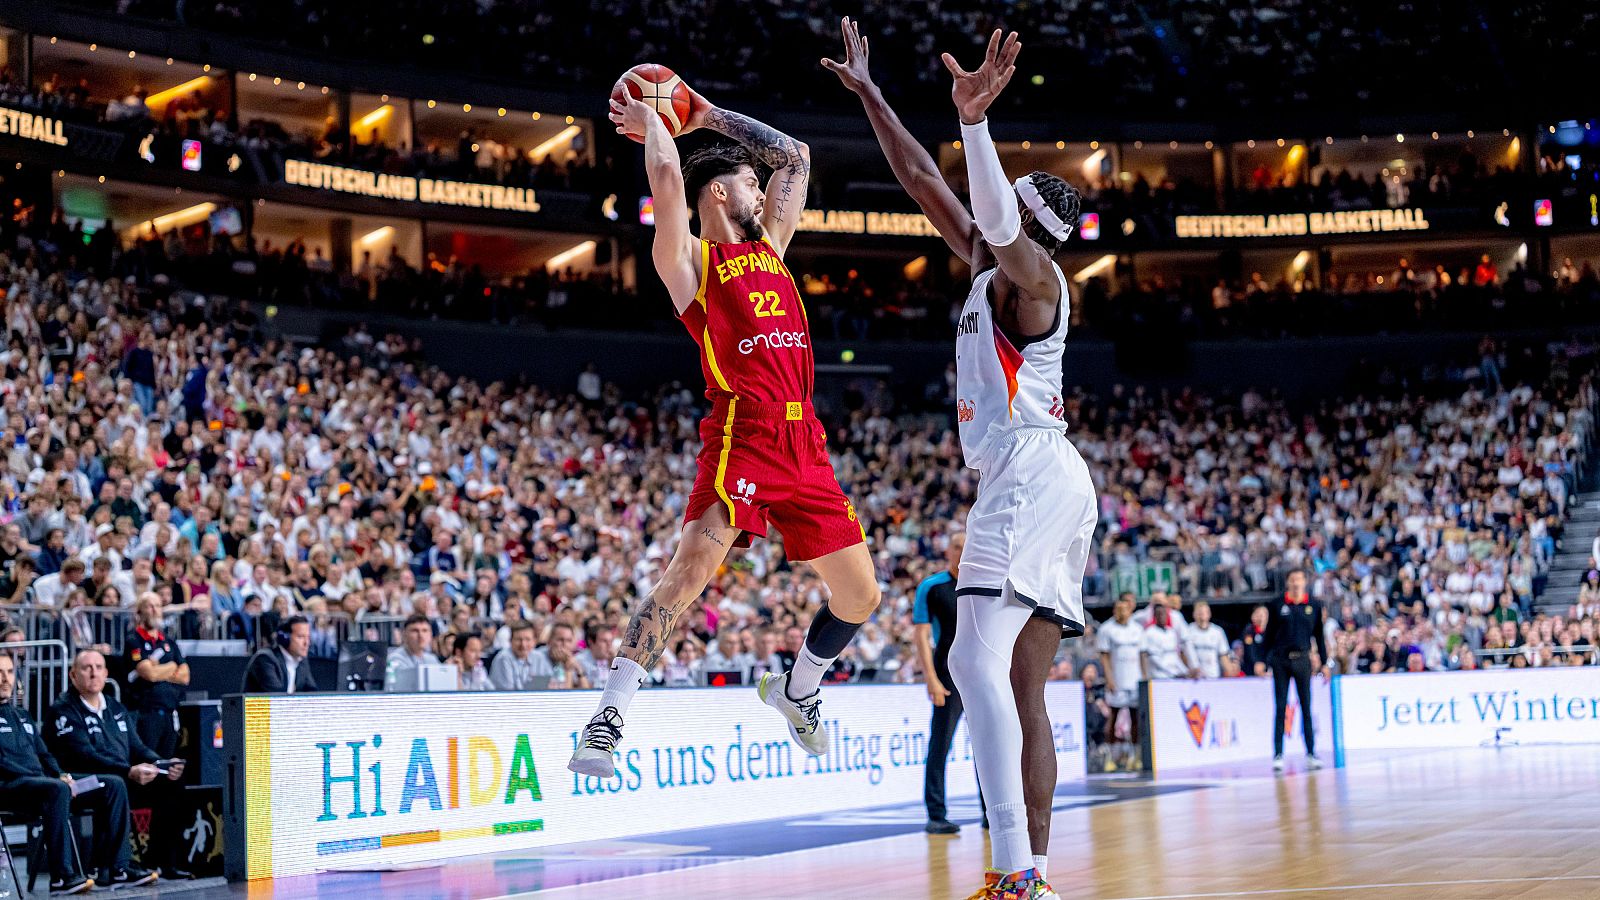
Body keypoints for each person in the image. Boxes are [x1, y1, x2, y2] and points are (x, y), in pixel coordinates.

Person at [828, 21, 1089, 897]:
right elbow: (921, 178)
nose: (983, 214)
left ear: (1032, 232)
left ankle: (1015, 871)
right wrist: (871, 94)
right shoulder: (988, 262)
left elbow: (999, 220)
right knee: (1019, 690)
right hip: (1046, 477)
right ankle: (1037, 876)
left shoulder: (1039, 284)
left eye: (1005, 207)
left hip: (1028, 473)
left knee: (973, 666)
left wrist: (977, 122)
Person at [571, 76, 880, 776]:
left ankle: (797, 689)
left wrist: (705, 114)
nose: (759, 186)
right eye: (747, 180)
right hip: (743, 434)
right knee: (688, 574)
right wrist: (660, 123)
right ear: (719, 193)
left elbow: (795, 156)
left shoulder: (772, 247)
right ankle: (608, 715)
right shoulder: (690, 264)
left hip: (806, 446)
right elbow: (663, 174)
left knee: (862, 595)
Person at [43, 650, 164, 888]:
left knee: (169, 784)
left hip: (113, 775)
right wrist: (129, 769)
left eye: (99, 667)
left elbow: (137, 745)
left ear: (107, 673)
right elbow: (87, 756)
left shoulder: (115, 707)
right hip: (73, 780)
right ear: (73, 675)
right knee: (114, 784)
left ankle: (166, 862)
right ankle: (119, 867)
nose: (93, 672)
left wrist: (160, 764)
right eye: (87, 668)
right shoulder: (64, 710)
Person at [0, 652, 95, 894]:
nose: (5, 679)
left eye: (10, 672)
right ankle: (62, 877)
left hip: (39, 785)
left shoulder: (22, 715)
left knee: (110, 784)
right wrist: (49, 780)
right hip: (9, 787)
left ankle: (114, 868)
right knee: (56, 790)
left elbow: (44, 754)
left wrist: (60, 774)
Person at [913, 532, 966, 834]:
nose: (961, 551)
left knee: (989, 746)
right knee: (940, 745)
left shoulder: (983, 587)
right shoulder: (932, 587)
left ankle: (991, 813)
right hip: (946, 675)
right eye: (956, 545)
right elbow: (921, 635)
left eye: (966, 545)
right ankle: (936, 814)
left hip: (978, 676)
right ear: (948, 550)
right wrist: (931, 679)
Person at [1262, 570, 1329, 771]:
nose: (1296, 583)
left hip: (1303, 660)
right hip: (1281, 660)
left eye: (1299, 579)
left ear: (1305, 582)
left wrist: (1325, 663)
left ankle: (1311, 752)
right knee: (1280, 707)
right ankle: (1278, 754)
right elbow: (1268, 635)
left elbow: (1319, 636)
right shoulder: (1276, 605)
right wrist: (1263, 661)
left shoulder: (1314, 606)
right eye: (1292, 580)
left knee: (1306, 707)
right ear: (1287, 583)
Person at [123, 594, 188, 761]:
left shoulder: (168, 641)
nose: (154, 610)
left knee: (168, 763)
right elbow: (149, 674)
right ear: (140, 611)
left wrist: (160, 669)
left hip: (169, 710)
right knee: (149, 762)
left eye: (158, 606)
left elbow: (185, 675)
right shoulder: (133, 639)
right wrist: (171, 667)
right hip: (146, 712)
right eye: (149, 606)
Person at [1096, 595, 1144, 769]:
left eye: (1124, 609)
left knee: (1135, 719)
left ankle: (1135, 757)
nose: (1120, 612)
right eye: (1117, 609)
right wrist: (1109, 679)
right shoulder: (1106, 629)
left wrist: (1144, 679)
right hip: (1117, 681)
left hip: (1135, 681)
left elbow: (1142, 655)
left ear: (1130, 610)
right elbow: (1105, 657)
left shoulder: (1138, 629)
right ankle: (1110, 757)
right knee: (1113, 718)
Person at [242, 616, 318, 693]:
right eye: (301, 637)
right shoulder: (265, 659)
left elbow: (312, 691)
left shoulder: (302, 661)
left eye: (308, 637)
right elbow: (276, 697)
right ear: (284, 637)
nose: (307, 643)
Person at [385, 614, 439, 691]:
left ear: (431, 635)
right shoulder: (395, 659)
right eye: (415, 631)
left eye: (425, 630)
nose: (421, 635)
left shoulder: (432, 659)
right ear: (404, 635)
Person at [531, 623, 592, 690]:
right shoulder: (538, 657)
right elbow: (562, 695)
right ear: (549, 641)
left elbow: (586, 691)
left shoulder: (577, 658)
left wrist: (578, 669)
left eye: (569, 640)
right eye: (560, 640)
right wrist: (567, 670)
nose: (565, 644)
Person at [1183, 601, 1230, 679]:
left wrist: (1229, 669)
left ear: (1209, 614)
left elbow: (1223, 654)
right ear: (1194, 614)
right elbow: (1182, 654)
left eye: (1205, 612)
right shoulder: (1188, 631)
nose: (1202, 614)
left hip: (1213, 676)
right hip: (1194, 679)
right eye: (1199, 612)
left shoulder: (1217, 632)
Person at [489, 621, 541, 690]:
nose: (523, 645)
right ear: (510, 641)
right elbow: (508, 693)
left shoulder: (538, 657)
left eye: (527, 639)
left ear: (534, 641)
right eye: (518, 640)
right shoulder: (503, 658)